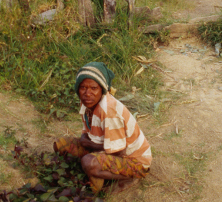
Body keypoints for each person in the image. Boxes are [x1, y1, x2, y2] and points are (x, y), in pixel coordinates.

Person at [53, 62, 151, 194]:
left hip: (132, 161)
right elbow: (86, 132)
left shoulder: (109, 110)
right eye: (83, 87)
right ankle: (99, 170)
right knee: (60, 145)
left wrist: (89, 145)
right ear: (78, 89)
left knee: (89, 163)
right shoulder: (86, 103)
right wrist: (84, 140)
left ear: (102, 90)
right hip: (104, 147)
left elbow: (119, 151)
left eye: (93, 88)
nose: (87, 93)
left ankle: (129, 177)